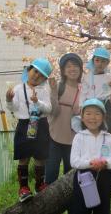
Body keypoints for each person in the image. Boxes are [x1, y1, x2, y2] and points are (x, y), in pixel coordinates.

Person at [6, 58, 53, 202]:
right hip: (24, 124)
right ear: (28, 70)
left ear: (45, 79)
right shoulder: (18, 88)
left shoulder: (44, 91)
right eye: (35, 71)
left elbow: (49, 109)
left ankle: (39, 185)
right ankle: (23, 188)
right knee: (23, 157)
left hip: (41, 124)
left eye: (41, 75)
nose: (36, 76)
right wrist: (9, 100)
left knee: (40, 158)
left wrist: (37, 102)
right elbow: (13, 108)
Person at [70, 98, 111, 214]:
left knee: (102, 209)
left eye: (97, 114)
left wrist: (105, 163)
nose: (93, 117)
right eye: (88, 113)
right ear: (82, 118)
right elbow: (74, 161)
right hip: (83, 177)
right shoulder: (79, 137)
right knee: (80, 208)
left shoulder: (108, 138)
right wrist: (90, 163)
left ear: (103, 117)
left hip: (104, 177)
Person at [45, 53, 83, 184]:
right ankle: (48, 203)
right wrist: (54, 92)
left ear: (81, 69)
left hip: (74, 140)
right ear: (63, 71)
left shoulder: (84, 89)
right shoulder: (59, 87)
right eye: (68, 66)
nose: (72, 69)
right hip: (54, 136)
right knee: (50, 175)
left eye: (76, 66)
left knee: (70, 177)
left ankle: (70, 203)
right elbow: (53, 112)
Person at [79, 47, 111, 134]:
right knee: (89, 127)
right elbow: (83, 93)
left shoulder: (110, 77)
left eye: (103, 61)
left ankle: (107, 144)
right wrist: (81, 105)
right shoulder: (87, 77)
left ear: (108, 63)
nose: (100, 64)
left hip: (106, 104)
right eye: (97, 60)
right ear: (93, 61)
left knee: (107, 127)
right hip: (90, 104)